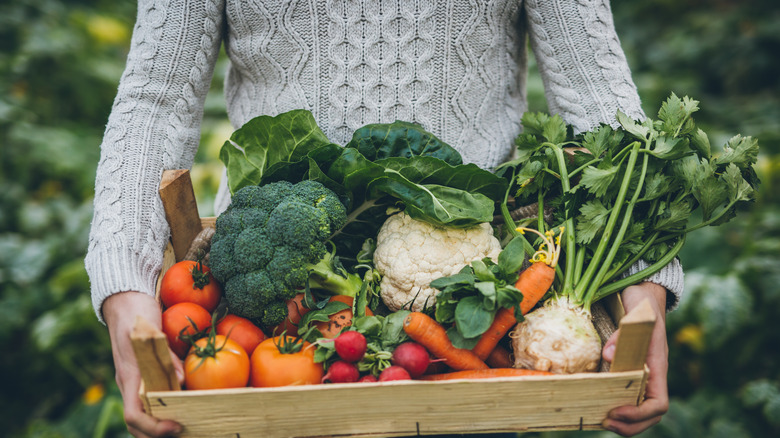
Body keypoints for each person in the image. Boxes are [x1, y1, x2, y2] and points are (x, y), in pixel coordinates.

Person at [86, 1, 683, 437]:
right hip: (275, 311)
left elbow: (595, 89)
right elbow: (154, 98)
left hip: (476, 306)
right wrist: (124, 282)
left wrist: (644, 283)